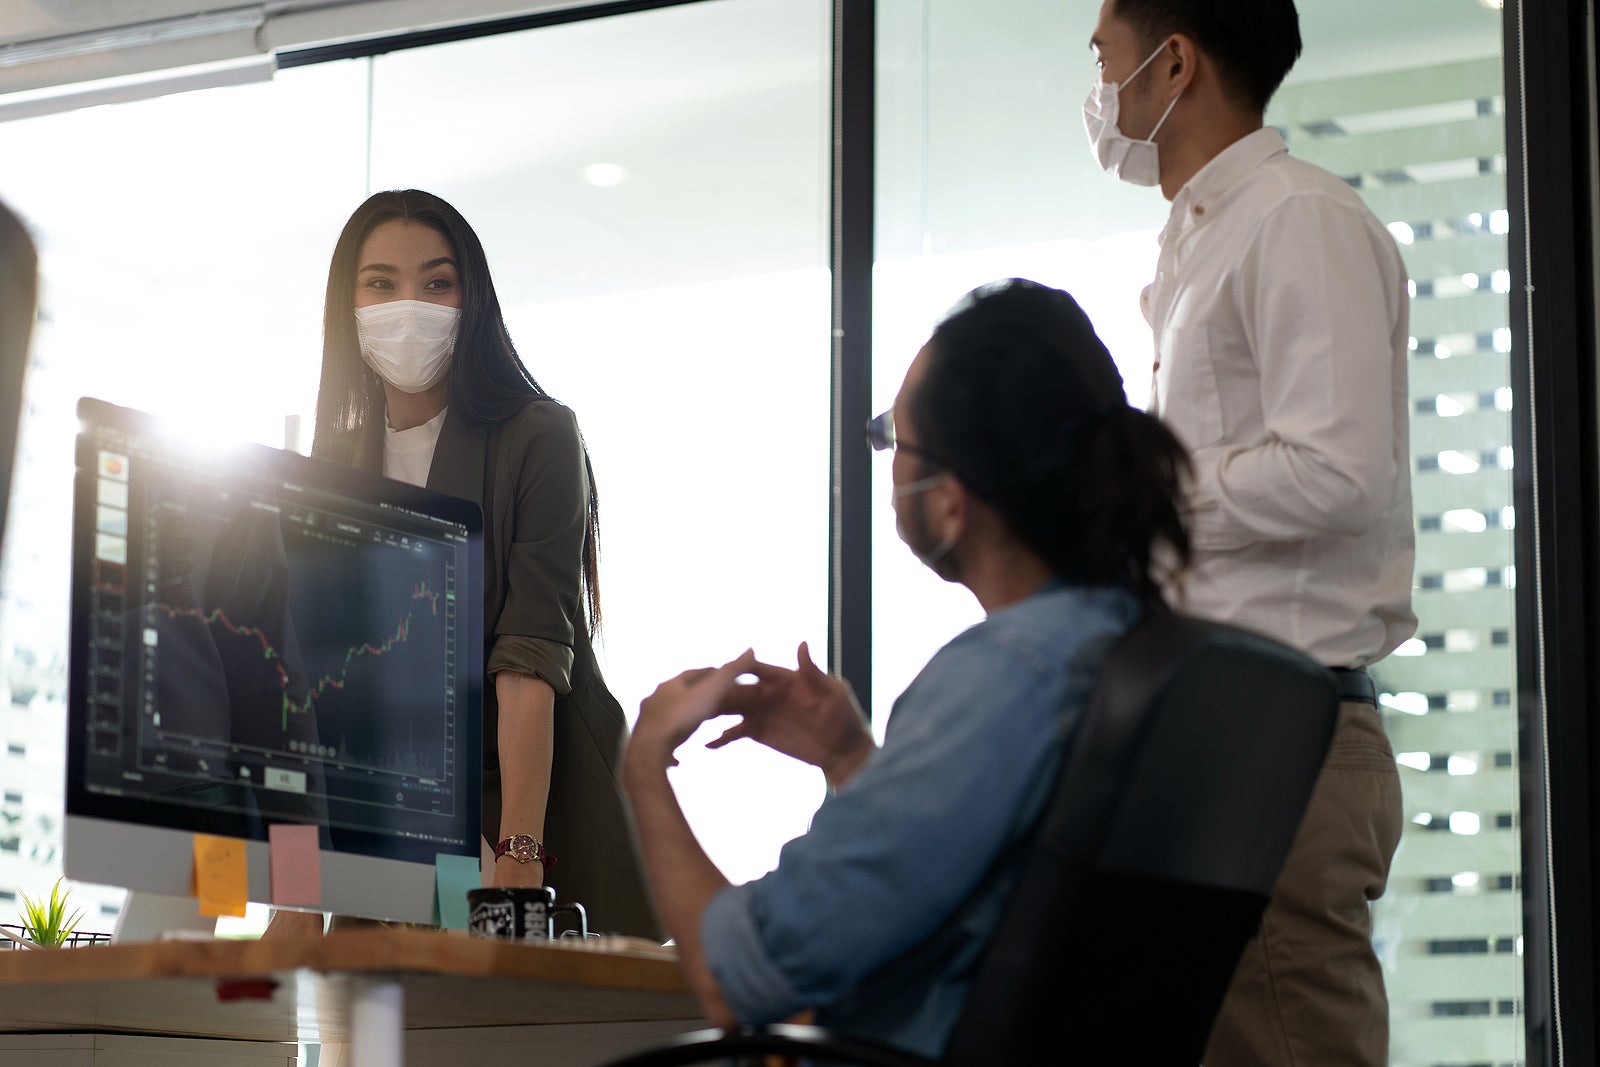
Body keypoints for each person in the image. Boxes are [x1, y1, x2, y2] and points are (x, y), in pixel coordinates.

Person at [621, 279, 1192, 1057]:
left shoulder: (1005, 679)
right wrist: (851, 755)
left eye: (897, 439)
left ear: (952, 501)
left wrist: (645, 762)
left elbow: (740, 979)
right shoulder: (1122, 647)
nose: (888, 465)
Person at [1085, 2, 1414, 1064]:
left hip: (1283, 734)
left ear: (1171, 64)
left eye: (1104, 60)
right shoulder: (1205, 235)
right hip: (1222, 730)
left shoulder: (1294, 218)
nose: (1098, 91)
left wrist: (1143, 488)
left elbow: (1336, 469)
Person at [290, 189, 658, 938]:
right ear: (347, 304)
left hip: (533, 812)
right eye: (381, 284)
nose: (409, 307)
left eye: (436, 282)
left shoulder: (538, 435)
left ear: (472, 298)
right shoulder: (332, 465)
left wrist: (517, 866)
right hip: (393, 828)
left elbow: (528, 660)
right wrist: (296, 899)